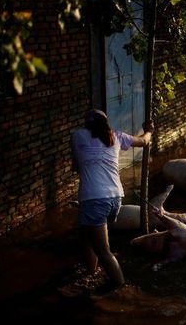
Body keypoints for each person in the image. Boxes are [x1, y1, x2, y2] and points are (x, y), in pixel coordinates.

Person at [70, 109, 154, 288]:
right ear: (106, 122)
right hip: (116, 197)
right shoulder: (116, 136)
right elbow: (144, 141)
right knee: (87, 235)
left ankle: (120, 287)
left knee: (103, 250)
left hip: (94, 199)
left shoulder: (78, 136)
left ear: (86, 123)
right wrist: (149, 130)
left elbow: (76, 166)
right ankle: (91, 272)